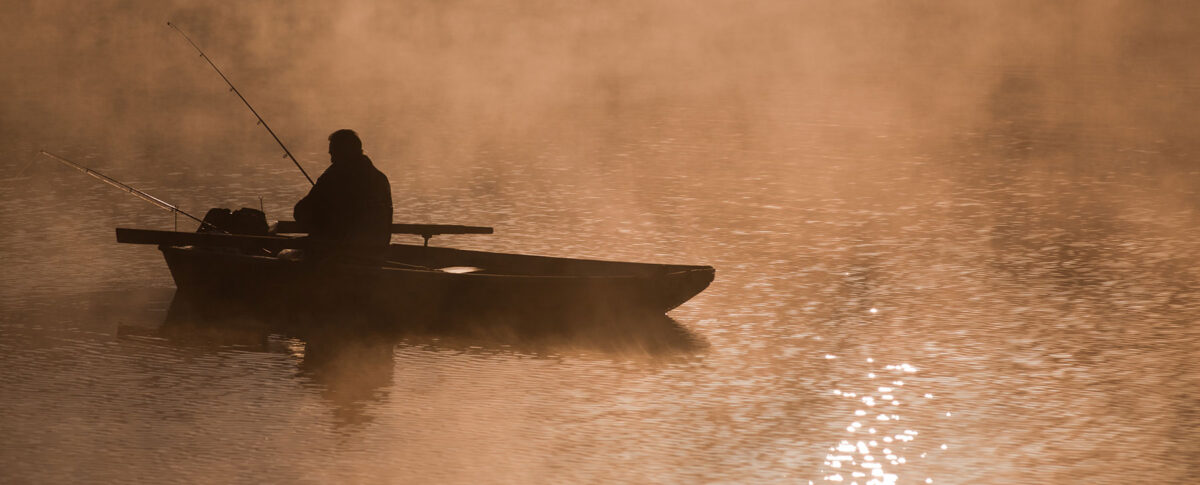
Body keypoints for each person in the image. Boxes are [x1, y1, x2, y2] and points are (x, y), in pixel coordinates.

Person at [293, 129, 393, 260]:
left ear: (343, 153)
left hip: (337, 254)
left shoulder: (334, 177)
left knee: (285, 254)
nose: (331, 159)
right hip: (376, 253)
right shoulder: (380, 178)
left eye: (333, 154)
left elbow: (301, 212)